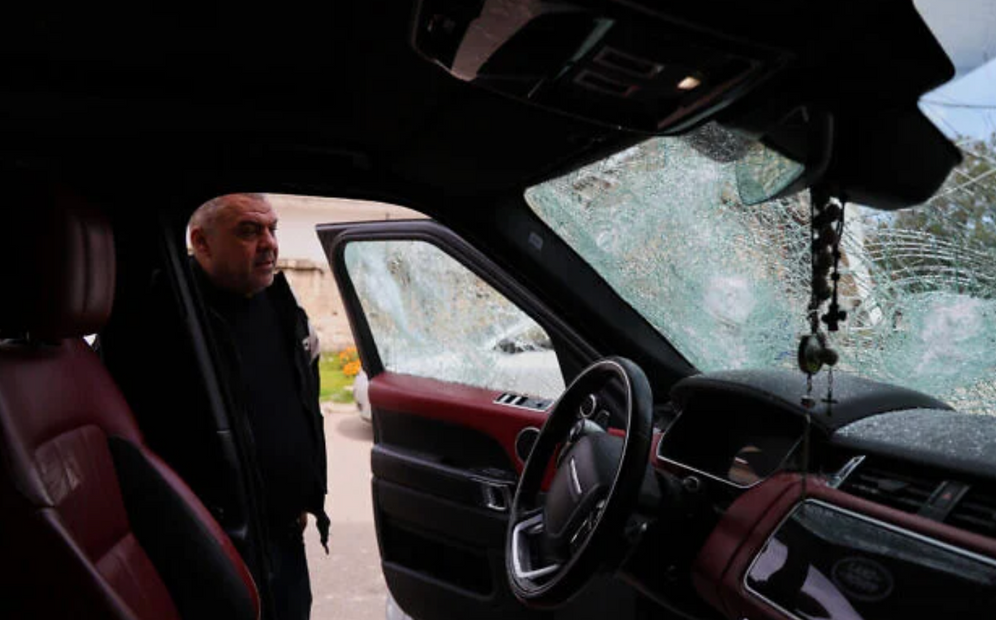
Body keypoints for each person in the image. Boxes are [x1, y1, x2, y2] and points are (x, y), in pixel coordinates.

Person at [189, 193, 329, 620]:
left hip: (284, 536)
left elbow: (304, 400)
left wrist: (304, 493)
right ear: (202, 242)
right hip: (214, 546)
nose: (269, 243)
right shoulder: (177, 315)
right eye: (248, 231)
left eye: (272, 229)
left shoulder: (282, 306)